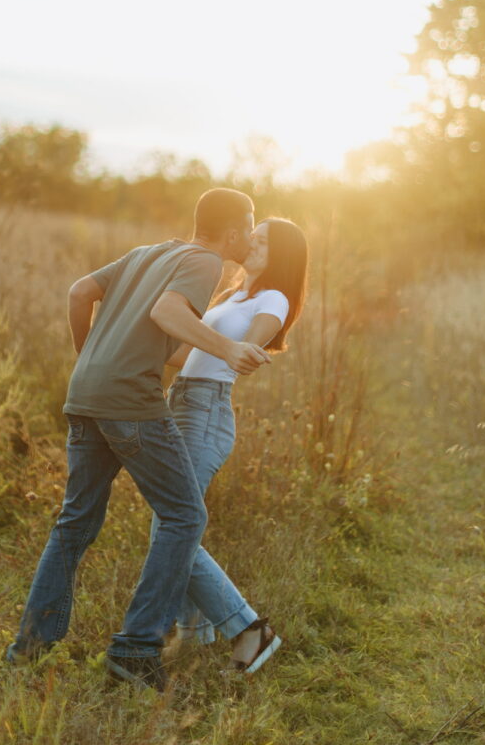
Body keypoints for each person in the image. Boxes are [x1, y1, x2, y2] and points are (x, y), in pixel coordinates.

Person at [6, 188, 271, 692]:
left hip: (85, 395)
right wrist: (229, 348)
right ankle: (136, 648)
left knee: (74, 522)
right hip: (130, 403)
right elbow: (168, 315)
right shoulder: (203, 262)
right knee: (184, 516)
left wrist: (91, 358)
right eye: (249, 226)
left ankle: (29, 648)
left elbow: (79, 292)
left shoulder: (146, 254)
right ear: (233, 230)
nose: (250, 236)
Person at [156, 217, 308, 674]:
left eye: (263, 241)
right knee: (177, 524)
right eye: (252, 237)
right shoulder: (229, 296)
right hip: (180, 401)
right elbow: (188, 355)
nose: (252, 244)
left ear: (279, 254)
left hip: (206, 412)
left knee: (174, 527)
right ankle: (195, 633)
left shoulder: (272, 298)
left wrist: (245, 348)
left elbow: (246, 349)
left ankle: (249, 628)